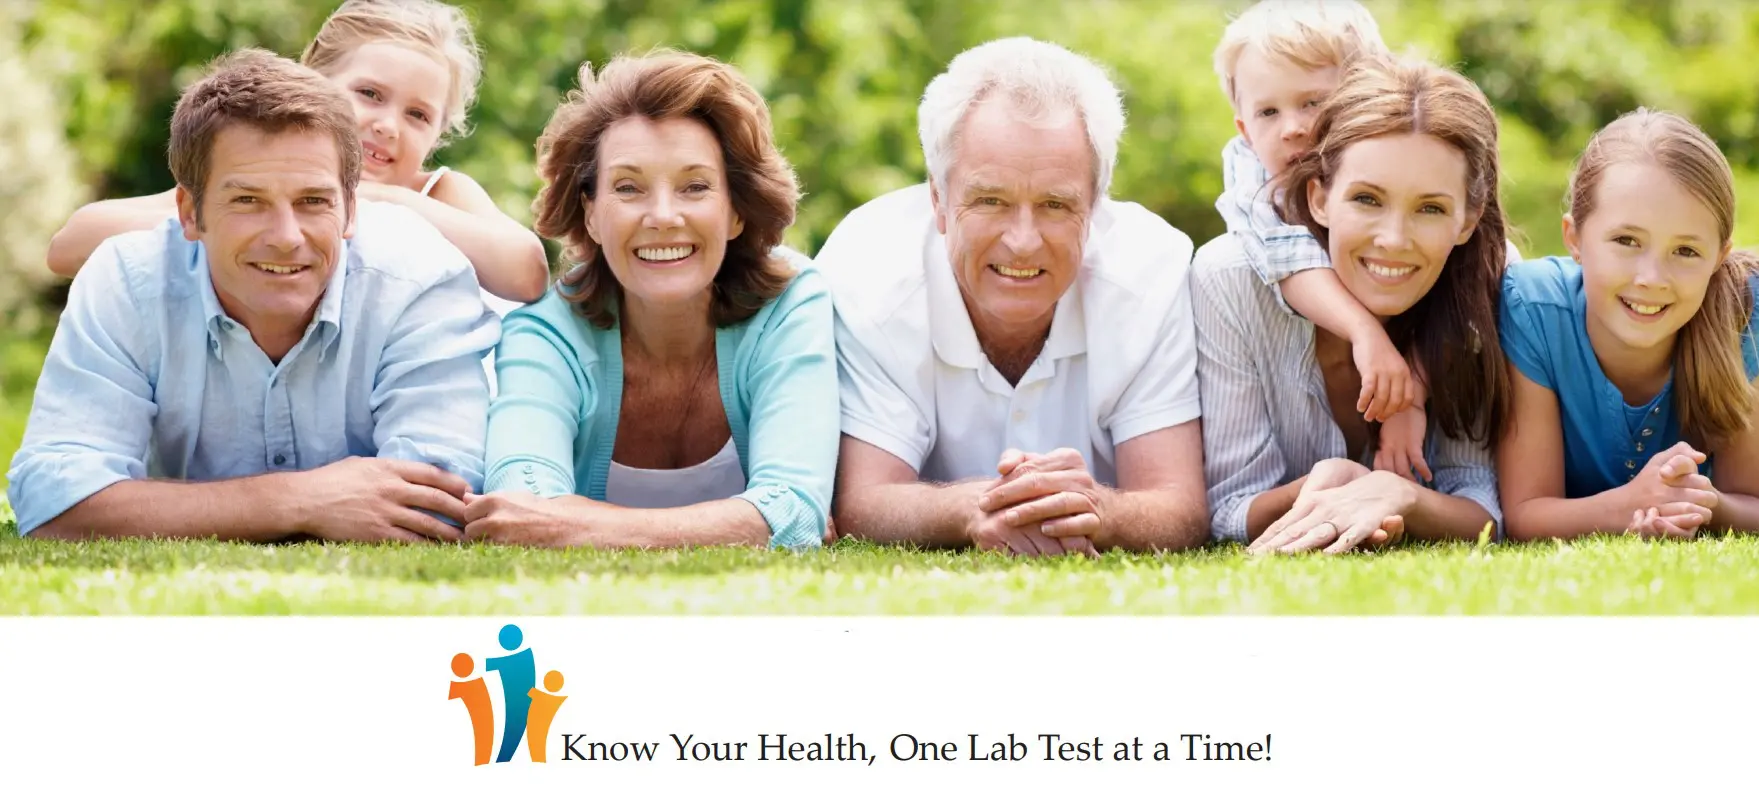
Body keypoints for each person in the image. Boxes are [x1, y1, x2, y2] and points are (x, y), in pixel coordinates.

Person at [5, 49, 498, 541]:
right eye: (248, 201)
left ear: (351, 210)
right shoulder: (125, 281)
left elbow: (437, 502)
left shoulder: (421, 278)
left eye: (313, 202)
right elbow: (56, 502)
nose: (286, 236)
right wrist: (300, 500)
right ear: (191, 212)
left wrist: (186, 510)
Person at [820, 37, 1208, 557]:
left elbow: (1179, 508)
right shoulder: (868, 267)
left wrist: (1098, 509)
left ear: (1094, 204)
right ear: (937, 198)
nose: (1023, 240)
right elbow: (860, 502)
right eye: (990, 200)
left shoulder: (1150, 269)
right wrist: (976, 507)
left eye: (1054, 204)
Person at [460, 51, 837, 549]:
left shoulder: (790, 304)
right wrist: (749, 523)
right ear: (590, 214)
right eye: (629, 187)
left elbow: (793, 513)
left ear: (736, 212)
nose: (662, 216)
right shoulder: (545, 333)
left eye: (695, 186)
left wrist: (572, 526)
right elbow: (517, 507)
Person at [1195, 53, 1510, 554]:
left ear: (1467, 221)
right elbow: (1229, 509)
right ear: (1320, 198)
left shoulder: (1481, 292)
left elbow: (1484, 509)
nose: (1393, 239)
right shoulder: (1230, 279)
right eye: (1367, 199)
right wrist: (1334, 483)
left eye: (1430, 208)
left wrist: (1398, 495)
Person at [44, 0, 546, 308]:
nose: (387, 125)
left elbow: (526, 272)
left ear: (438, 133)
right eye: (369, 93)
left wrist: (378, 200)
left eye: (418, 115)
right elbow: (68, 246)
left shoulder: (442, 193)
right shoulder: (253, 179)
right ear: (314, 85)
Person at [1498, 109, 1759, 540]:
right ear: (1575, 238)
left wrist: (1697, 502)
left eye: (1686, 251)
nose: (1651, 278)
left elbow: (1750, 503)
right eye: (1626, 241)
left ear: (1719, 256)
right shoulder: (1534, 308)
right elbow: (1527, 513)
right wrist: (1631, 505)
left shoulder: (1743, 313)